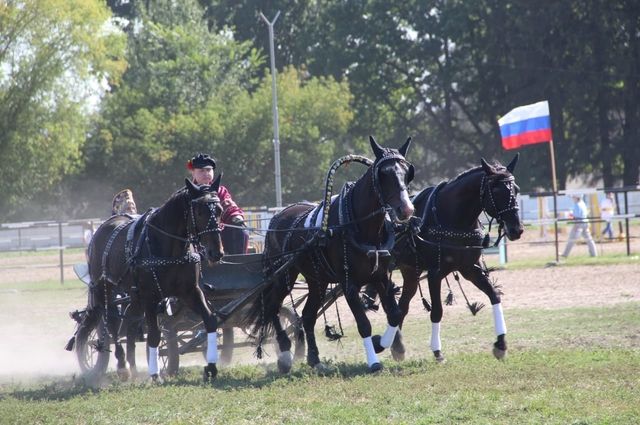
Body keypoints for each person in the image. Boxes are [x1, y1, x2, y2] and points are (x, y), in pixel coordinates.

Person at [187, 153, 249, 254]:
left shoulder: (220, 191)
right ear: (193, 173)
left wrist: (236, 216)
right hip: (197, 235)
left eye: (208, 170)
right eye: (201, 170)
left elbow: (229, 206)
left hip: (219, 232)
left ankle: (238, 265)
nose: (206, 173)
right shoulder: (187, 193)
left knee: (242, 231)